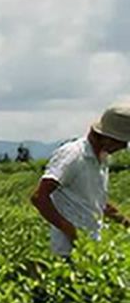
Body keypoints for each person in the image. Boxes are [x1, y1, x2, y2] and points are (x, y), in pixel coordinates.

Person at [31, 103, 130, 257]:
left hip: (91, 247)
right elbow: (39, 197)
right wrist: (70, 232)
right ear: (106, 137)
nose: (124, 146)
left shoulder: (102, 159)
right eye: (122, 141)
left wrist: (125, 221)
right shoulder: (73, 155)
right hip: (67, 251)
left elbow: (96, 200)